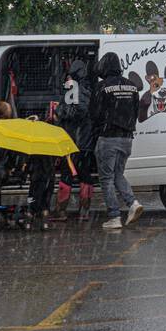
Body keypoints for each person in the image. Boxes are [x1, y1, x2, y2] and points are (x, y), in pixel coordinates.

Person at [90, 52, 143, 230]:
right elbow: (137, 112)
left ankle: (114, 217)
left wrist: (96, 133)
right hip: (127, 138)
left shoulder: (101, 86)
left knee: (106, 179)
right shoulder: (132, 86)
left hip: (108, 138)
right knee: (118, 175)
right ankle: (133, 203)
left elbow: (94, 114)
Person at [54, 59, 96, 221]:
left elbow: (77, 111)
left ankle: (61, 211)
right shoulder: (87, 89)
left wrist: (60, 110)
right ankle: (84, 210)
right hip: (84, 142)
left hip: (73, 143)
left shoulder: (75, 89)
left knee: (67, 175)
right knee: (85, 175)